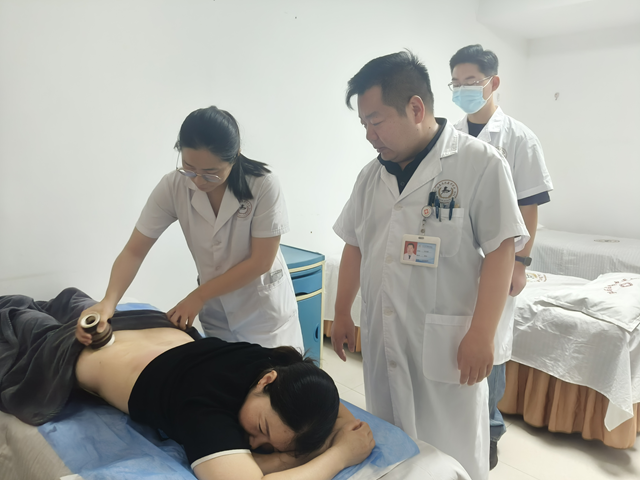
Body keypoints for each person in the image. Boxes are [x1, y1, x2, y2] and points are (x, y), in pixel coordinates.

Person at [330, 51, 528, 480]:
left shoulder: (479, 164)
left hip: (446, 347)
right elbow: (354, 244)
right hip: (385, 342)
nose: (369, 135)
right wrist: (342, 310)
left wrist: (482, 333)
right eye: (363, 124)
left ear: (416, 108)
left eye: (376, 121)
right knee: (394, 454)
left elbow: (501, 251)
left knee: (452, 455)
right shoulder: (370, 176)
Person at [0, 288, 374, 480]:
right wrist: (339, 455)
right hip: (70, 350)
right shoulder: (205, 413)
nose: (252, 443)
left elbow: (321, 398)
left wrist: (289, 451)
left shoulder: (276, 363)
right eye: (260, 429)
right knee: (15, 317)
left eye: (264, 444)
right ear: (266, 382)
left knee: (65, 302)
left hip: (142, 323)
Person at [75, 106, 303, 352]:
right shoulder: (173, 186)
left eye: (211, 173)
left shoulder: (263, 185)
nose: (198, 180)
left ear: (235, 156)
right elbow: (135, 251)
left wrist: (199, 296)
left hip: (265, 317)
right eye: (189, 168)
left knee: (275, 374)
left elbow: (261, 261)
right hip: (218, 316)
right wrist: (108, 302)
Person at [449, 44, 553, 470]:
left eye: (471, 82)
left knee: (491, 340)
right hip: (459, 254)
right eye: (456, 83)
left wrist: (521, 263)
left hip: (501, 255)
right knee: (459, 334)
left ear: (493, 83)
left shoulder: (519, 138)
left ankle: (490, 430)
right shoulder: (451, 134)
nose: (462, 89)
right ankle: (459, 421)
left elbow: (529, 206)